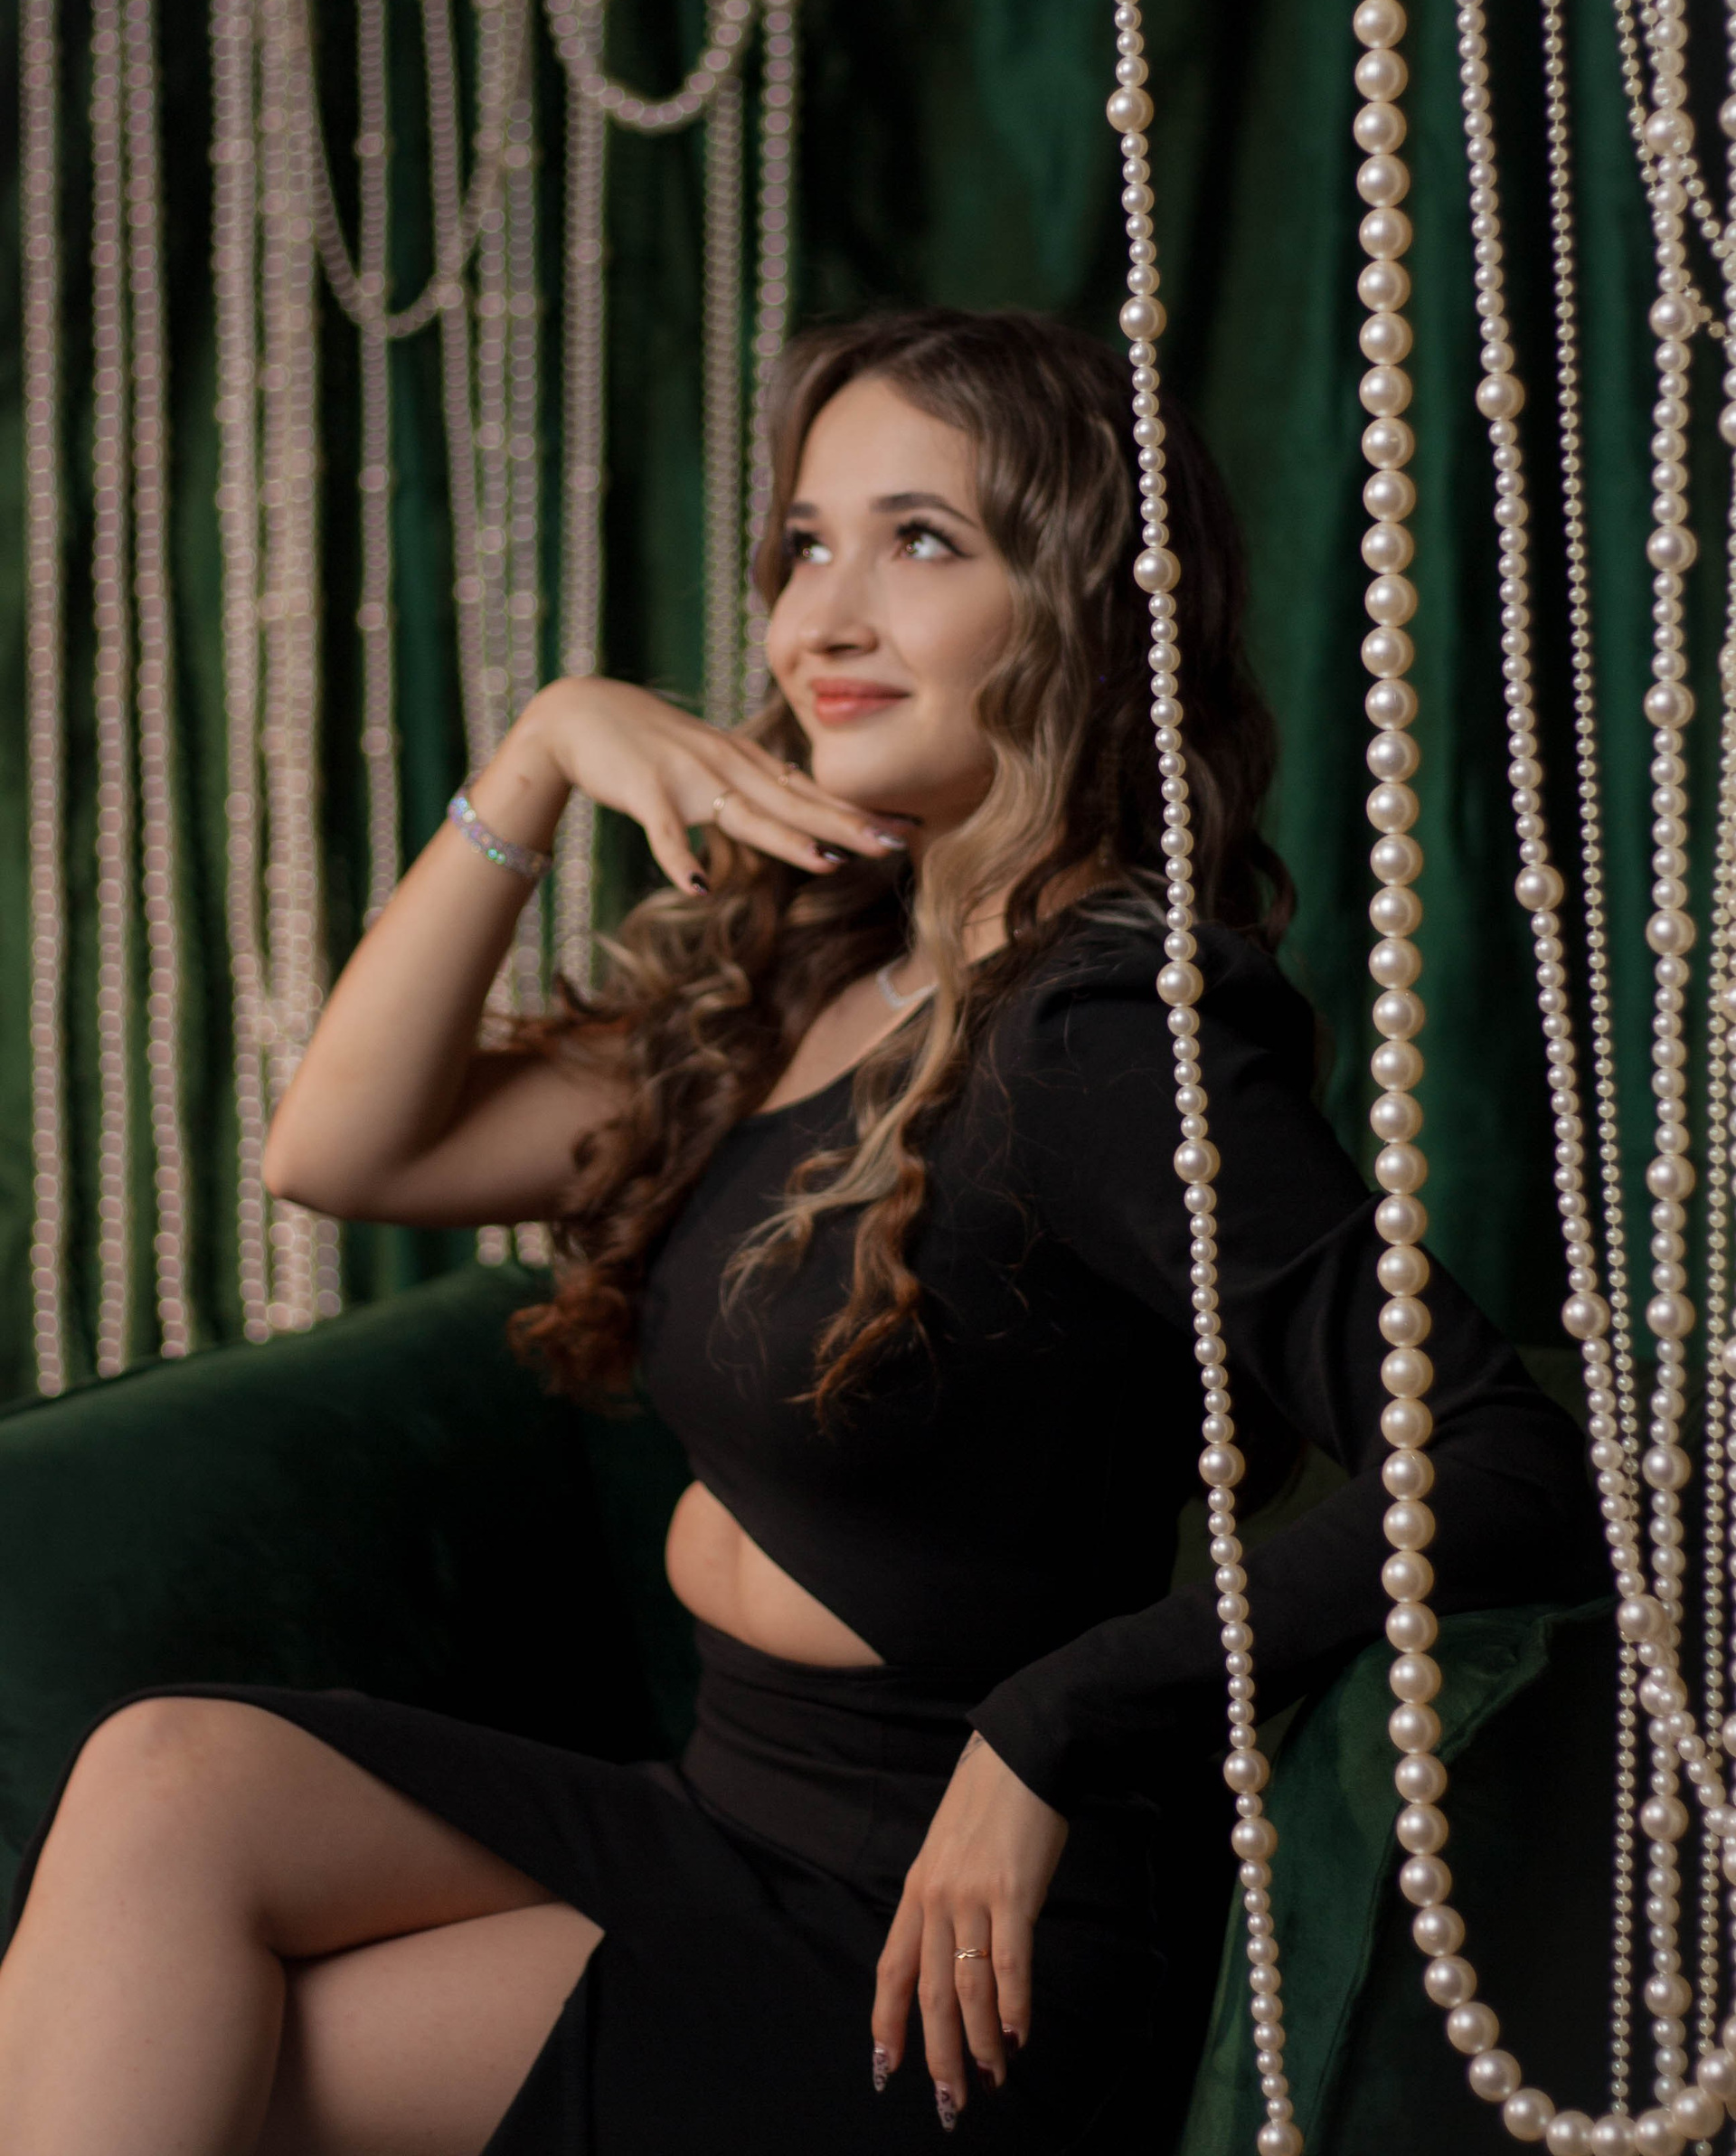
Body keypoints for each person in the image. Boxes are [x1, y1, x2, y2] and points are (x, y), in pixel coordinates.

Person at [0, 308, 1599, 2156]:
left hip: (937, 1952)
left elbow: (1508, 1459)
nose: (823, 618)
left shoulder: (1100, 1036)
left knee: (185, 2058)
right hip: (725, 1816)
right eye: (805, 544)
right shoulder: (813, 979)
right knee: (166, 1782)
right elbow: (342, 1148)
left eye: (921, 541)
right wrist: (541, 752)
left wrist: (1054, 1724)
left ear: (1080, 603)